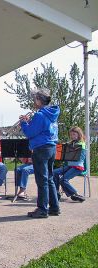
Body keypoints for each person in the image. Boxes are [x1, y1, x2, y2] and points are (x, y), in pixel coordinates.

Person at [20, 88, 60, 218]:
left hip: (41, 148)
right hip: (51, 147)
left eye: (35, 99)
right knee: (49, 179)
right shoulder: (52, 113)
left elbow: (30, 133)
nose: (34, 101)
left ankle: (42, 209)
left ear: (39, 100)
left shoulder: (40, 115)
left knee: (41, 180)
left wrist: (24, 123)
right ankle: (54, 207)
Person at [53, 127, 86, 202]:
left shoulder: (81, 144)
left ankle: (75, 194)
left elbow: (77, 151)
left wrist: (68, 147)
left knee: (63, 180)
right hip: (68, 166)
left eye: (74, 134)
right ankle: (56, 193)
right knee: (54, 172)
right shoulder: (70, 143)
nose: (72, 136)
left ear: (79, 134)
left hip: (77, 167)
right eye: (71, 135)